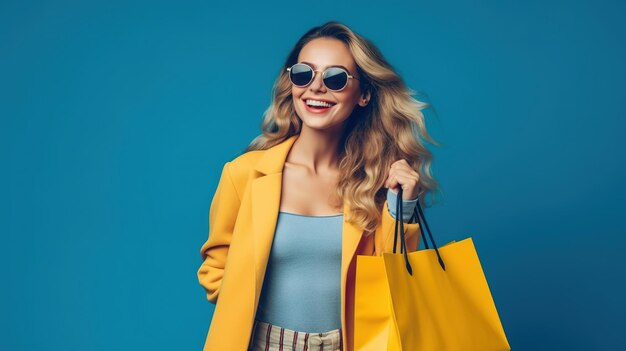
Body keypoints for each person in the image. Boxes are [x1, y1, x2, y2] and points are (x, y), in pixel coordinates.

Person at [197, 21, 441, 351]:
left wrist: (402, 207)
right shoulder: (245, 174)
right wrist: (241, 311)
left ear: (364, 94)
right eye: (303, 74)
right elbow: (216, 267)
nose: (316, 88)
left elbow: (394, 283)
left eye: (336, 78)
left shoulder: (376, 182)